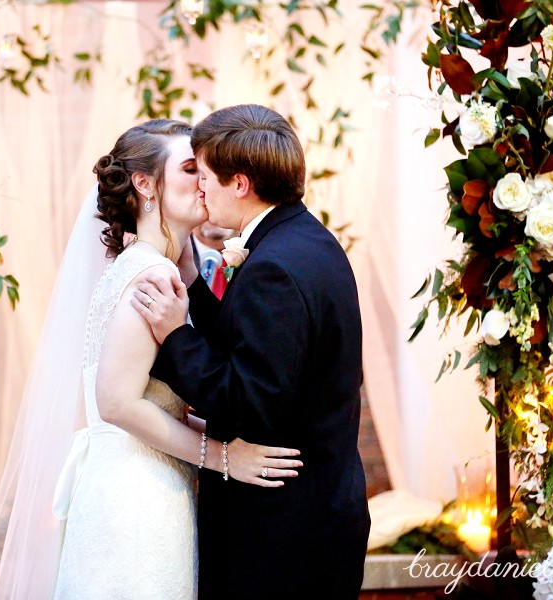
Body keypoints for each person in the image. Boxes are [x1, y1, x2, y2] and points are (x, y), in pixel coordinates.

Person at [0, 119, 302, 600]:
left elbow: (153, 397)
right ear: (144, 184)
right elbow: (117, 403)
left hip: (140, 483)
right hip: (138, 500)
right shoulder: (150, 273)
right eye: (190, 168)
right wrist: (226, 457)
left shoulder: (154, 267)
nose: (204, 181)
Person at [132, 104, 371, 599]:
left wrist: (177, 335)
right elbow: (264, 349)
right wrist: (195, 289)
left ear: (239, 184)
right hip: (318, 514)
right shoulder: (306, 242)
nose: (200, 189)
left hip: (281, 533)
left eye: (206, 176)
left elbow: (249, 399)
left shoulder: (274, 267)